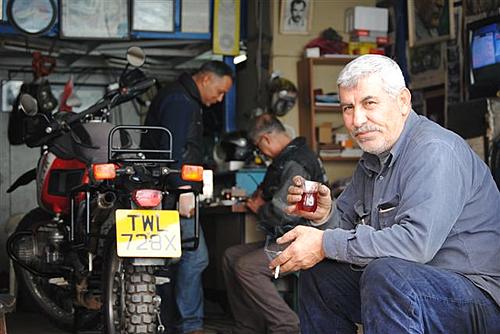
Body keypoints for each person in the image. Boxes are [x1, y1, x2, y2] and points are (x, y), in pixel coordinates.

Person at [269, 54, 500, 333]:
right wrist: (324, 216)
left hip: (475, 297)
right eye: (347, 108)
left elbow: (416, 246)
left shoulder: (434, 150)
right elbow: (341, 232)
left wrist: (323, 243)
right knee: (320, 274)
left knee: (386, 273)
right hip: (409, 286)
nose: (357, 120)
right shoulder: (372, 159)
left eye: (369, 103)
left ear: (403, 101)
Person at [141, 60, 234, 334]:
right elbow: (175, 146)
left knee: (170, 261)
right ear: (205, 79)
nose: (219, 99)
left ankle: (169, 323)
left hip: (163, 188)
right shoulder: (180, 101)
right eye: (219, 91)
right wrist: (182, 189)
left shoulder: (178, 96)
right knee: (194, 258)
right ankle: (189, 326)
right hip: (171, 192)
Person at [222, 114, 327, 334]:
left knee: (247, 267)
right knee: (231, 256)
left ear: (266, 139)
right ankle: (248, 327)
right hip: (287, 236)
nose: (261, 152)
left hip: (304, 239)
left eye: (259, 146)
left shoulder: (296, 162)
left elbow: (286, 213)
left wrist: (260, 208)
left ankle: (287, 325)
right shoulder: (287, 159)